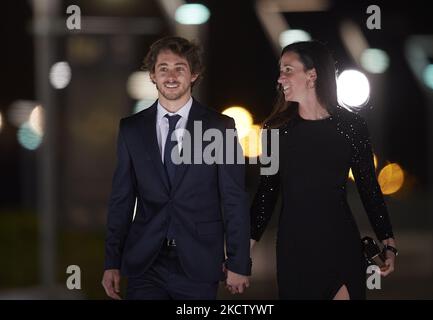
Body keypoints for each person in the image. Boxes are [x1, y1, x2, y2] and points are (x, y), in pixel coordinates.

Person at [102, 36, 251, 300]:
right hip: (146, 263)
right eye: (163, 69)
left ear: (194, 74)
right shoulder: (131, 129)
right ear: (152, 75)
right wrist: (111, 261)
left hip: (199, 263)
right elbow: (121, 200)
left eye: (179, 68)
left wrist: (239, 263)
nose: (171, 76)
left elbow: (234, 198)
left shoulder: (220, 127)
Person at [250, 40, 397, 300]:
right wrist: (242, 249)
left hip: (341, 246)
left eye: (287, 70)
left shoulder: (352, 126)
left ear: (312, 75)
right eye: (280, 70)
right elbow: (267, 192)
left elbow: (368, 187)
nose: (280, 78)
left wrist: (388, 241)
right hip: (294, 252)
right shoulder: (274, 131)